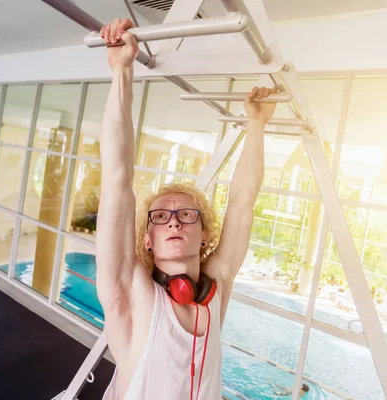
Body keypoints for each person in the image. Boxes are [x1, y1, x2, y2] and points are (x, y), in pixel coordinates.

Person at [95, 18, 279, 400]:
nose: (174, 221)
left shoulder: (216, 290)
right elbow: (117, 179)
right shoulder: (130, 292)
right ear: (147, 239)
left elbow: (243, 200)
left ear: (205, 232)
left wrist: (256, 125)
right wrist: (122, 72)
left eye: (186, 214)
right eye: (160, 216)